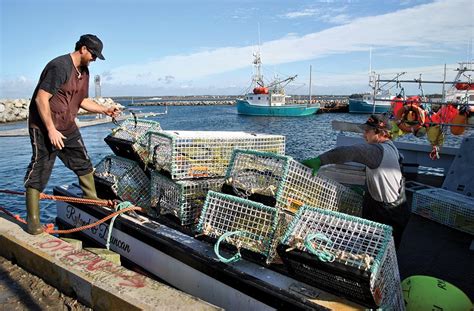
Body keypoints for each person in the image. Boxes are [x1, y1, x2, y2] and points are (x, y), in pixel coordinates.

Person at [24, 34, 121, 235]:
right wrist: (51, 129)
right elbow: (41, 99)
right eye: (94, 54)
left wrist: (105, 110)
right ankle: (33, 220)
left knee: (83, 163)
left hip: (67, 126)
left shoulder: (84, 72)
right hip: (44, 127)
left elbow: (82, 101)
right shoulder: (59, 66)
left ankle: (91, 198)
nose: (95, 59)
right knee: (41, 168)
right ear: (83, 49)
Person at [301, 114, 410, 249]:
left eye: (367, 131)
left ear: (380, 132)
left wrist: (319, 160)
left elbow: (350, 152)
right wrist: (366, 190)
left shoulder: (377, 150)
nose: (364, 135)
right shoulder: (391, 148)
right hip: (397, 209)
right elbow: (383, 177)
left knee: (377, 253)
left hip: (388, 215)